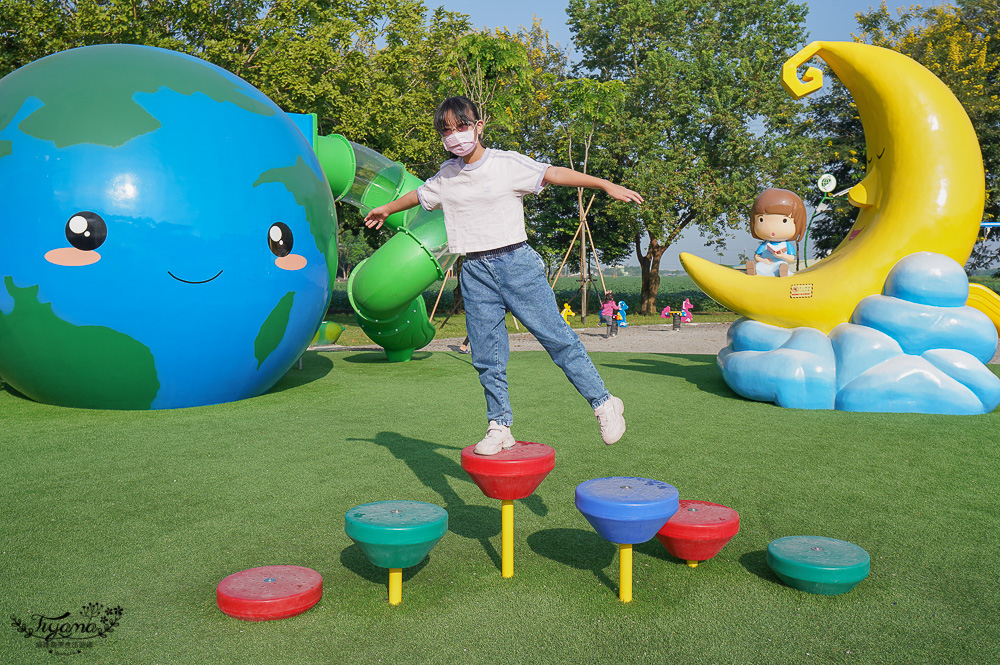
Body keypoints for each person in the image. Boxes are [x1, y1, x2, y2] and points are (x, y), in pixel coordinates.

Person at [364, 95, 643, 455]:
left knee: (556, 338)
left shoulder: (506, 164)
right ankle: (500, 426)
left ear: (479, 127)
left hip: (516, 264)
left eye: (462, 127)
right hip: (475, 270)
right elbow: (419, 195)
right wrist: (386, 208)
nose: (455, 136)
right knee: (486, 353)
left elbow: (552, 173)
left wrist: (604, 184)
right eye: (446, 131)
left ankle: (605, 403)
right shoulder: (447, 176)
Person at [745, 188, 807, 277]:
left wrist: (782, 256)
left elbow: (791, 258)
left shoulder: (786, 245)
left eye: (784, 221)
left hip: (779, 263)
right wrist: (764, 260)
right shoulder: (765, 245)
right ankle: (753, 270)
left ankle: (782, 271)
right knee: (760, 266)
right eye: (761, 220)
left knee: (781, 266)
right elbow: (757, 256)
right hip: (766, 264)